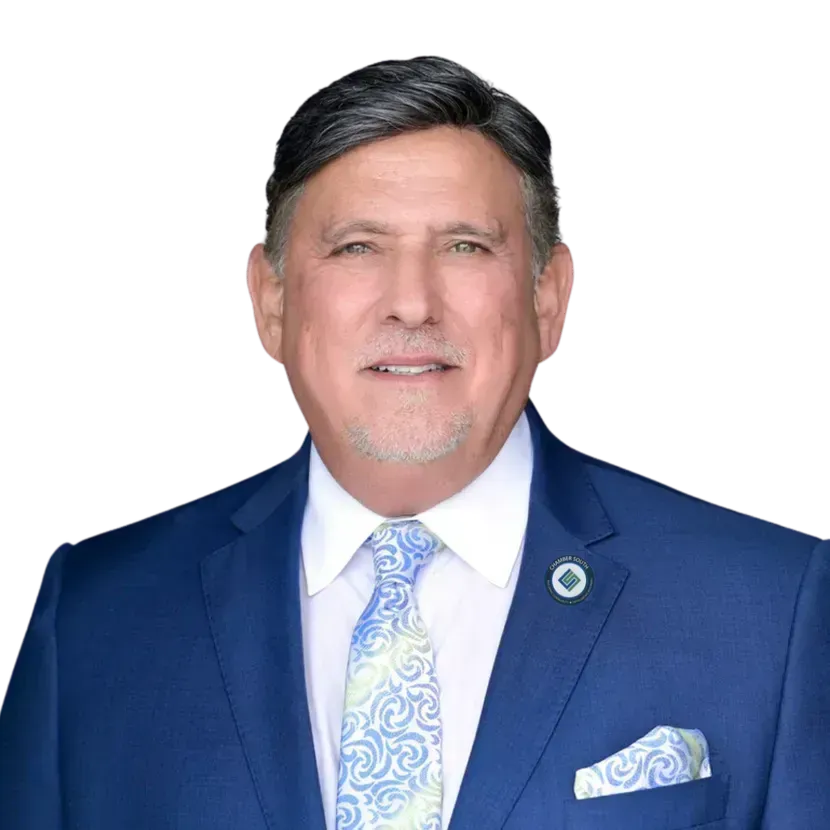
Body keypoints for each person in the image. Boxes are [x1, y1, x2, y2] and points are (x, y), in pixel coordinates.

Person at [1, 55, 827, 830]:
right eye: (357, 247)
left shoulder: (771, 610)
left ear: (550, 297)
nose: (411, 303)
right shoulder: (96, 619)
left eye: (465, 246)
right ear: (269, 301)